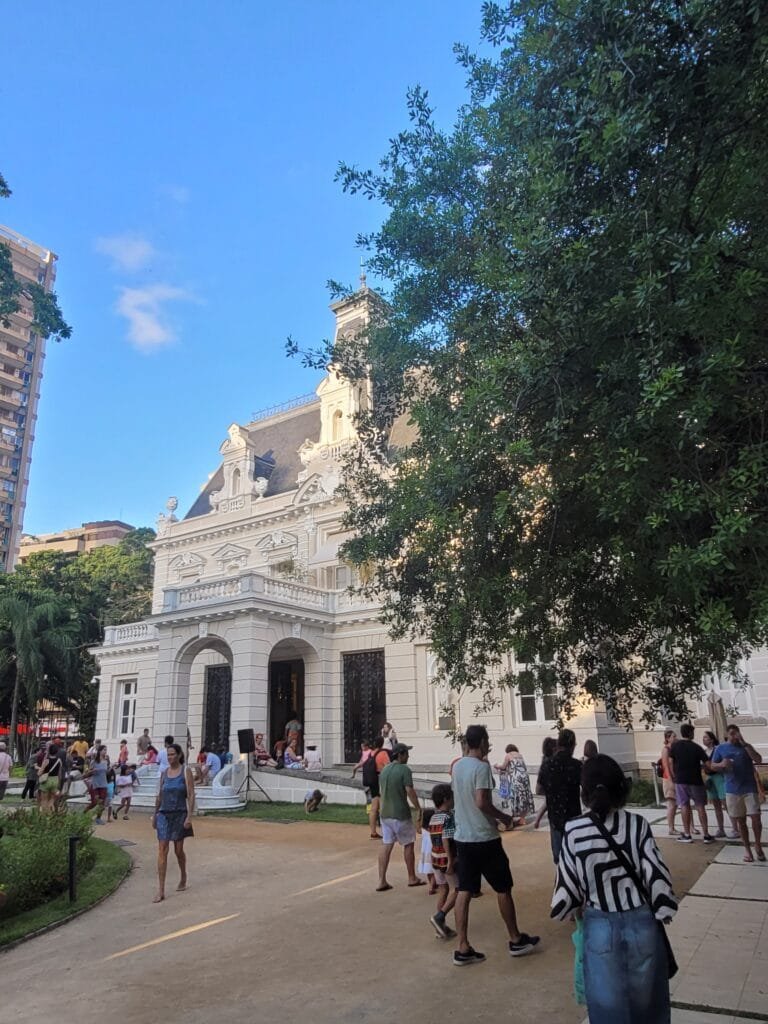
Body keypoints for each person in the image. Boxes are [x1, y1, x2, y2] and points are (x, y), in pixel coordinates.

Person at [551, 754, 677, 1024]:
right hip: (642, 923)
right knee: (648, 1007)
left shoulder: (574, 830)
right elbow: (656, 873)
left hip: (600, 926)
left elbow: (566, 893)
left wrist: (570, 907)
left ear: (583, 791)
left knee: (608, 1007)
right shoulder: (637, 824)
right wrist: (663, 906)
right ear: (621, 787)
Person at [451, 724, 540, 965]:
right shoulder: (481, 767)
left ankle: (463, 947)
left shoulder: (457, 766)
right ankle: (515, 939)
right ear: (480, 742)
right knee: (503, 887)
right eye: (486, 741)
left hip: (463, 837)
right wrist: (503, 817)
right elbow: (481, 801)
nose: (487, 746)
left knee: (464, 890)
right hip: (484, 837)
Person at [711, 724, 764, 862]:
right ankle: (747, 850)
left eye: (737, 733)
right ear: (727, 735)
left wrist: (746, 744)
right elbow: (712, 765)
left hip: (749, 788)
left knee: (756, 819)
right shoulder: (720, 748)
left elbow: (758, 759)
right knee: (741, 822)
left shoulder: (746, 746)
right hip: (732, 790)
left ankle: (757, 845)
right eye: (733, 733)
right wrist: (721, 764)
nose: (735, 736)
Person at [152, 742, 195, 902]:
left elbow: (190, 794)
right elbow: (159, 795)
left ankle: (183, 875)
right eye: (168, 755)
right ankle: (161, 890)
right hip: (164, 814)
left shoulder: (186, 771)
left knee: (178, 850)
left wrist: (189, 816)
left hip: (179, 814)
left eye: (172, 754)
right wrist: (155, 814)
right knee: (162, 849)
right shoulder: (164, 773)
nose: (170, 757)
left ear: (179, 755)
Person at [376, 742, 422, 890]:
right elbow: (409, 790)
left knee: (386, 844)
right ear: (400, 754)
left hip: (385, 814)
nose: (408, 756)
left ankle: (382, 880)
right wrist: (418, 807)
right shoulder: (404, 770)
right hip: (400, 813)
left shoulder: (385, 769)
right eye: (406, 753)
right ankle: (412, 877)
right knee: (408, 844)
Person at [538, 728, 582, 863]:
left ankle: (562, 881)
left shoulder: (547, 765)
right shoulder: (576, 765)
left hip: (555, 817)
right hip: (573, 816)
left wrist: (552, 791)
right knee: (575, 856)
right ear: (572, 744)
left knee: (559, 857)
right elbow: (586, 789)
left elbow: (539, 789)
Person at [669, 723, 713, 844]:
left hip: (681, 780)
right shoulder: (697, 747)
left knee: (684, 805)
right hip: (696, 780)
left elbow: (671, 762)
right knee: (700, 806)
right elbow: (708, 764)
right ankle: (706, 835)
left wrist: (674, 776)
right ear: (690, 733)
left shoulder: (675, 746)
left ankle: (687, 834)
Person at [429, 783, 458, 939]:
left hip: (435, 858)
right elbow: (447, 839)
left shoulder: (434, 817)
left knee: (443, 889)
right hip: (446, 859)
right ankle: (440, 917)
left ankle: (440, 927)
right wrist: (451, 861)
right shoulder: (448, 817)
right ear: (447, 799)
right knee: (458, 889)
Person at [494, 744, 535, 827]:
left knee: (515, 796)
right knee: (523, 796)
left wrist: (496, 766)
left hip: (517, 778)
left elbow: (503, 767)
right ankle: (522, 819)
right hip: (525, 778)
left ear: (508, 750)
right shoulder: (520, 755)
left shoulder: (508, 755)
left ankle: (514, 816)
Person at [701, 731, 729, 839]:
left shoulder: (718, 749)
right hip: (709, 778)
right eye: (703, 738)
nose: (704, 739)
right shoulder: (703, 752)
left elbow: (723, 763)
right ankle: (721, 828)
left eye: (706, 737)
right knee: (716, 804)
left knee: (725, 802)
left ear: (712, 739)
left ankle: (736, 827)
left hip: (718, 777)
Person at [362, 736, 392, 839]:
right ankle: (386, 831)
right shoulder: (383, 753)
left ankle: (373, 831)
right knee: (383, 806)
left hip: (372, 781)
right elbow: (388, 767)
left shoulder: (371, 753)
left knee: (374, 807)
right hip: (381, 780)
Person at [533, 736, 557, 828]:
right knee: (546, 804)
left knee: (546, 804)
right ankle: (537, 820)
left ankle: (537, 820)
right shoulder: (550, 761)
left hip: (547, 787)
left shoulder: (545, 759)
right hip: (550, 788)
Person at [83, 745, 110, 823]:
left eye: (106, 750)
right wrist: (92, 771)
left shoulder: (106, 761)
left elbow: (106, 772)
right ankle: (84, 813)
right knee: (94, 802)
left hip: (103, 783)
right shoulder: (94, 761)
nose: (105, 751)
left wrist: (110, 769)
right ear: (100, 751)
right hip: (95, 783)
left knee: (102, 803)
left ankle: (98, 818)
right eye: (104, 750)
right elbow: (87, 773)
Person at [660, 729, 678, 836]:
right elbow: (666, 766)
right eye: (673, 736)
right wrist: (671, 781)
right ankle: (671, 828)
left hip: (676, 778)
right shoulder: (666, 750)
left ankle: (690, 827)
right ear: (667, 738)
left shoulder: (675, 749)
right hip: (668, 779)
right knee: (671, 804)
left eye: (675, 736)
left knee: (677, 805)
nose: (675, 738)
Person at [37, 742, 64, 812]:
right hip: (55, 781)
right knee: (51, 800)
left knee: (44, 800)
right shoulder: (59, 761)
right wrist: (59, 783)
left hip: (46, 781)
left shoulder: (46, 761)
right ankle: (50, 812)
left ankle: (45, 816)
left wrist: (39, 770)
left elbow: (39, 773)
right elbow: (59, 774)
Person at [418, 808, 437, 891]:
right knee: (434, 870)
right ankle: (432, 885)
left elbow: (417, 829)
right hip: (432, 850)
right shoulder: (433, 828)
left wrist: (419, 818)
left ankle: (431, 884)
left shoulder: (423, 829)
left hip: (425, 851)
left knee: (428, 870)